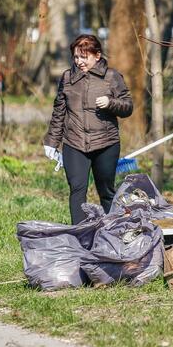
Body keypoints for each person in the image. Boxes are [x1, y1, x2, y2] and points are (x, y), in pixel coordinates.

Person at [43, 34, 133, 224]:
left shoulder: (112, 77)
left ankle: (113, 231)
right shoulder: (68, 78)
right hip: (74, 143)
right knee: (77, 189)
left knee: (106, 191)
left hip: (106, 144)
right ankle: (80, 234)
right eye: (76, 57)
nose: (79, 61)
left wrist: (111, 103)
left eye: (84, 57)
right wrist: (51, 142)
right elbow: (59, 112)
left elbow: (128, 106)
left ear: (97, 55)